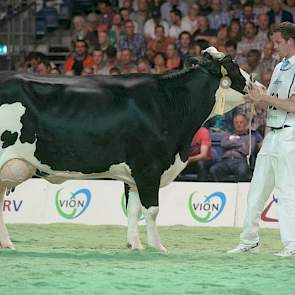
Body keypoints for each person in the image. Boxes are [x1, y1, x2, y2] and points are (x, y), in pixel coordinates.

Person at [228, 22, 295, 257]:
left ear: (290, 41)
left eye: (278, 42)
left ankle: (292, 245)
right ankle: (249, 240)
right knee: (256, 190)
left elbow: (293, 105)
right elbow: (271, 102)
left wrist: (266, 97)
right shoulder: (279, 67)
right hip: (272, 133)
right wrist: (257, 97)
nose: (274, 46)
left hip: (290, 134)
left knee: (287, 192)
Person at [209, 113, 257, 182]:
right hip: (225, 161)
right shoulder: (227, 134)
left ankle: (240, 192)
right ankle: (220, 191)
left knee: (243, 171)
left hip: (240, 161)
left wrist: (231, 143)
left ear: (246, 124)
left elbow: (247, 150)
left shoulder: (250, 137)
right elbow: (224, 144)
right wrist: (240, 144)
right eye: (236, 122)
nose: (238, 124)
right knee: (213, 169)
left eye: (241, 122)